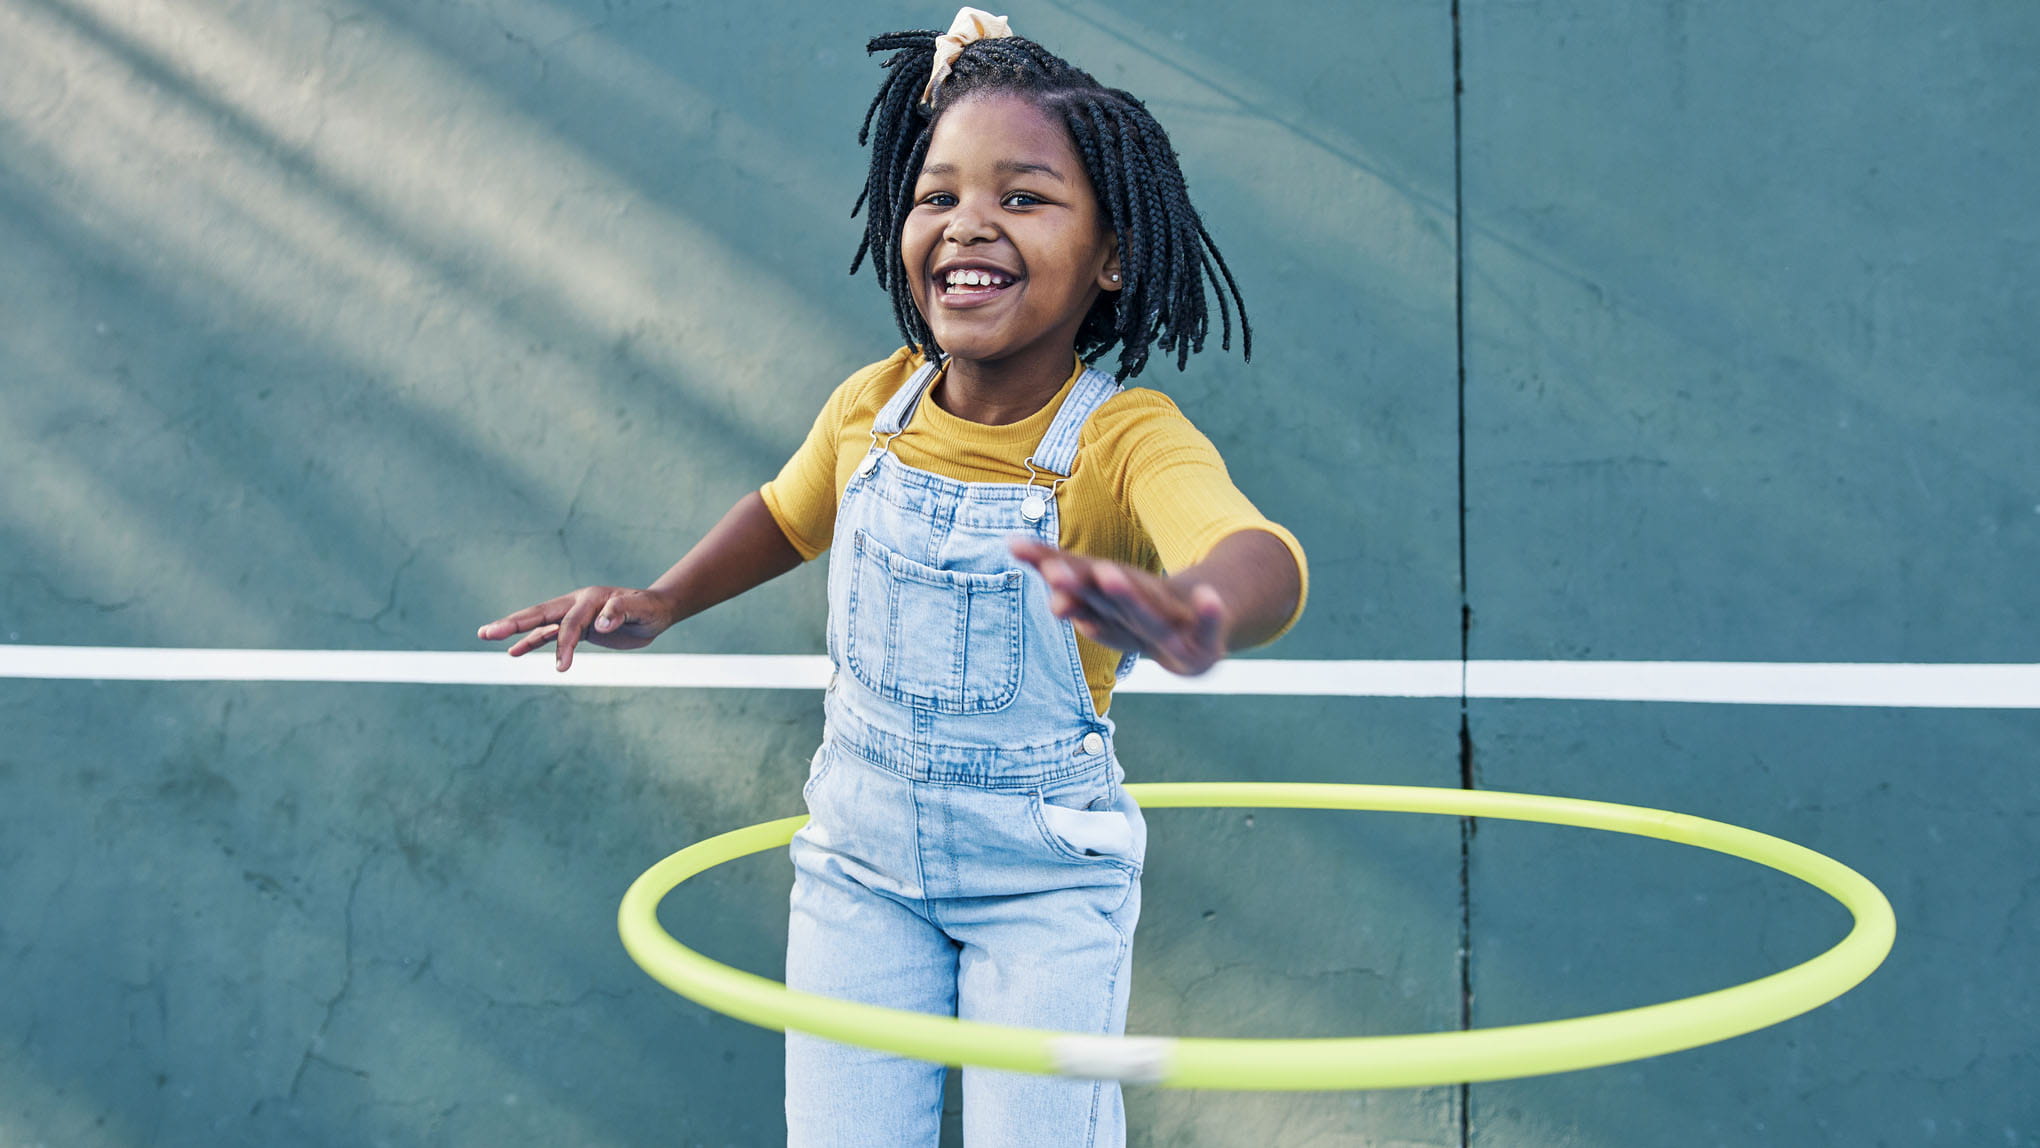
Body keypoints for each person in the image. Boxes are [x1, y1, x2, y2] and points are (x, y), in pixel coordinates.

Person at [479, 10, 1307, 1145]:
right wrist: (664, 597)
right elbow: (786, 513)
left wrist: (1200, 607)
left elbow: (1256, 551)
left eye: (1024, 197)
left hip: (1042, 889)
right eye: (938, 194)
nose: (970, 222)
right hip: (858, 870)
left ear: (1113, 254)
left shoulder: (1124, 442)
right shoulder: (872, 405)